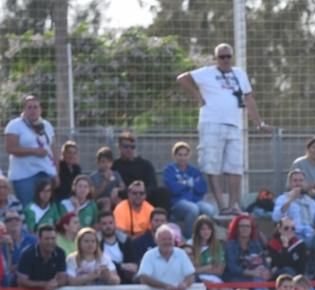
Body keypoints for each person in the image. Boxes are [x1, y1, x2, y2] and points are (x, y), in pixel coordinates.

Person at [177, 43, 268, 214]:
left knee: (236, 167)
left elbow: (248, 98)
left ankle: (233, 205)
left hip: (234, 125)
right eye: (221, 57)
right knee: (212, 166)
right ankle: (222, 206)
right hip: (211, 123)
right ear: (216, 58)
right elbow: (182, 78)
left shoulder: (239, 74)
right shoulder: (206, 72)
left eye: (228, 56)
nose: (225, 60)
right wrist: (197, 96)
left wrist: (259, 122)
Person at [4, 95, 57, 207]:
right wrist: (33, 151)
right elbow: (10, 148)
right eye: (29, 107)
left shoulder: (47, 125)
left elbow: (53, 150)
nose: (33, 110)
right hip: (24, 176)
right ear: (23, 109)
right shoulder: (15, 125)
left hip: (45, 172)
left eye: (35, 107)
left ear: (40, 109)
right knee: (28, 208)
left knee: (45, 207)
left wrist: (56, 173)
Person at [164, 142, 216, 237]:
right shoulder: (169, 170)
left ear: (189, 156)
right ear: (174, 156)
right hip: (177, 203)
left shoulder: (194, 170)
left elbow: (202, 189)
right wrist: (188, 184)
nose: (182, 158)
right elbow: (173, 189)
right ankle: (190, 238)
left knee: (210, 210)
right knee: (193, 209)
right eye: (180, 155)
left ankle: (207, 237)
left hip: (195, 201)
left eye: (185, 155)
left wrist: (182, 184)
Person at [136, 225, 196, 290]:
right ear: (156, 241)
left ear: (174, 241)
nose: (167, 242)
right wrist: (165, 286)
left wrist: (185, 284)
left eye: (170, 239)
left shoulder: (181, 254)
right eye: (164, 239)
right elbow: (144, 278)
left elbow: (191, 275)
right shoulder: (149, 255)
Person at [189, 215, 226, 290]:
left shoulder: (217, 246)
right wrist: (209, 266)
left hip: (215, 278)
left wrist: (200, 268)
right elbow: (191, 270)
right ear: (197, 231)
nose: (206, 232)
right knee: (213, 288)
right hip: (196, 280)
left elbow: (219, 270)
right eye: (203, 229)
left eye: (209, 229)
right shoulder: (190, 245)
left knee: (226, 289)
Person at [112, 132, 163, 207]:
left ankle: (161, 218)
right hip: (125, 196)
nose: (129, 149)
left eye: (132, 147)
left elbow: (152, 185)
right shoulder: (114, 165)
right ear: (119, 147)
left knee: (163, 192)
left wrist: (141, 195)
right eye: (126, 146)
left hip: (145, 196)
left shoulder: (145, 164)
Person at [273, 169, 315, 241]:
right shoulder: (282, 199)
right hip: (292, 235)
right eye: (295, 180)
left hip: (310, 234)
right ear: (290, 183)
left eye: (301, 180)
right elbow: (276, 217)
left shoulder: (311, 202)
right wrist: (290, 200)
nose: (298, 183)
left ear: (305, 183)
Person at [223, 214, 270, 284]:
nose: (245, 229)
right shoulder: (230, 245)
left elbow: (264, 263)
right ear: (236, 228)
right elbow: (232, 267)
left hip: (256, 276)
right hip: (236, 278)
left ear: (251, 229)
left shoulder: (256, 245)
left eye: (248, 226)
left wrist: (265, 271)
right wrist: (251, 273)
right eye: (242, 226)